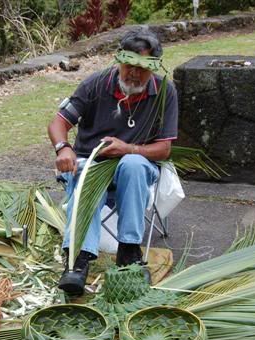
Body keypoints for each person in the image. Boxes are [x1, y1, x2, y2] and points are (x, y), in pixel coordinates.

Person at [47, 27, 178, 296]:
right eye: (128, 65)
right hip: (88, 162)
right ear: (119, 61)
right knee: (86, 172)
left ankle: (129, 251)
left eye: (142, 69)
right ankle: (78, 260)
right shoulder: (97, 83)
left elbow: (164, 149)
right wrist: (63, 148)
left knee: (132, 164)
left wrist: (127, 148)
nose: (133, 74)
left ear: (153, 68)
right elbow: (59, 123)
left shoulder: (165, 92)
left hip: (135, 169)